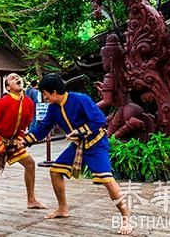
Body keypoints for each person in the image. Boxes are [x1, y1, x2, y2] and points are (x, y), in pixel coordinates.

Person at [22, 73, 133, 235]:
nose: (44, 97)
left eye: (45, 94)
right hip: (78, 146)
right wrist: (25, 141)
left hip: (96, 144)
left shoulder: (80, 99)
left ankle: (126, 219)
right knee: (55, 171)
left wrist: (79, 132)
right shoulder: (53, 109)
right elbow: (42, 129)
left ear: (53, 92)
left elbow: (99, 120)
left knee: (108, 180)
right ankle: (62, 208)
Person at [0, 72, 47, 224]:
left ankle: (31, 200)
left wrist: (20, 139)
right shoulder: (3, 102)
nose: (17, 78)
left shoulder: (28, 102)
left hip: (11, 141)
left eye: (18, 77)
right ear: (8, 87)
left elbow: (25, 124)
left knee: (30, 164)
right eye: (12, 78)